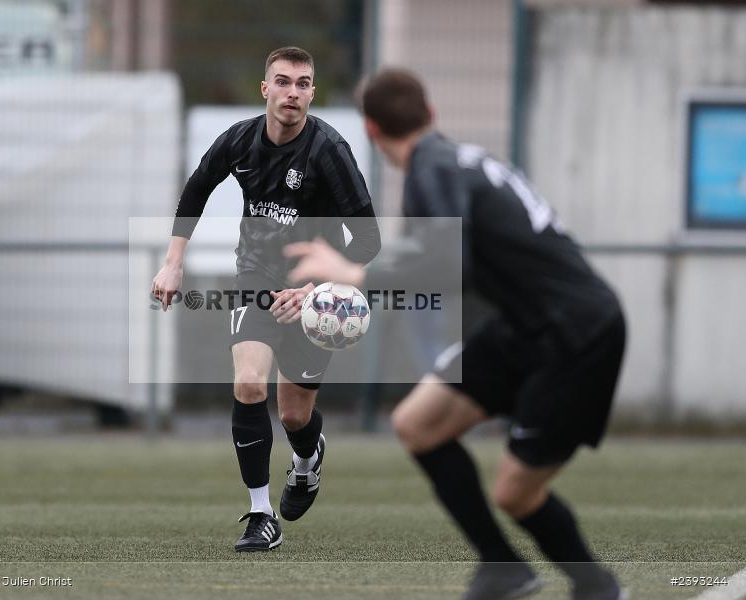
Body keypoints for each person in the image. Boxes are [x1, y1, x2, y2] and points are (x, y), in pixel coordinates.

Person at [285, 69, 627, 600]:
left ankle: (597, 586)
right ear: (431, 114)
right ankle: (503, 567)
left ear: (372, 131)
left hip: (576, 334)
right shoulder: (448, 160)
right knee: (418, 424)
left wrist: (356, 276)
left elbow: (449, 264)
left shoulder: (431, 169)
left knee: (516, 492)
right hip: (526, 325)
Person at [151, 47, 380, 552]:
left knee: (295, 414)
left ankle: (306, 460)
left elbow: (368, 242)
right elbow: (196, 190)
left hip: (315, 292)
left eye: (302, 84)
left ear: (312, 93)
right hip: (254, 275)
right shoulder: (239, 140)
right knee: (250, 383)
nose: (292, 92)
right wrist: (173, 260)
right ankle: (261, 515)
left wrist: (314, 290)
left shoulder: (329, 151)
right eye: (283, 81)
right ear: (266, 89)